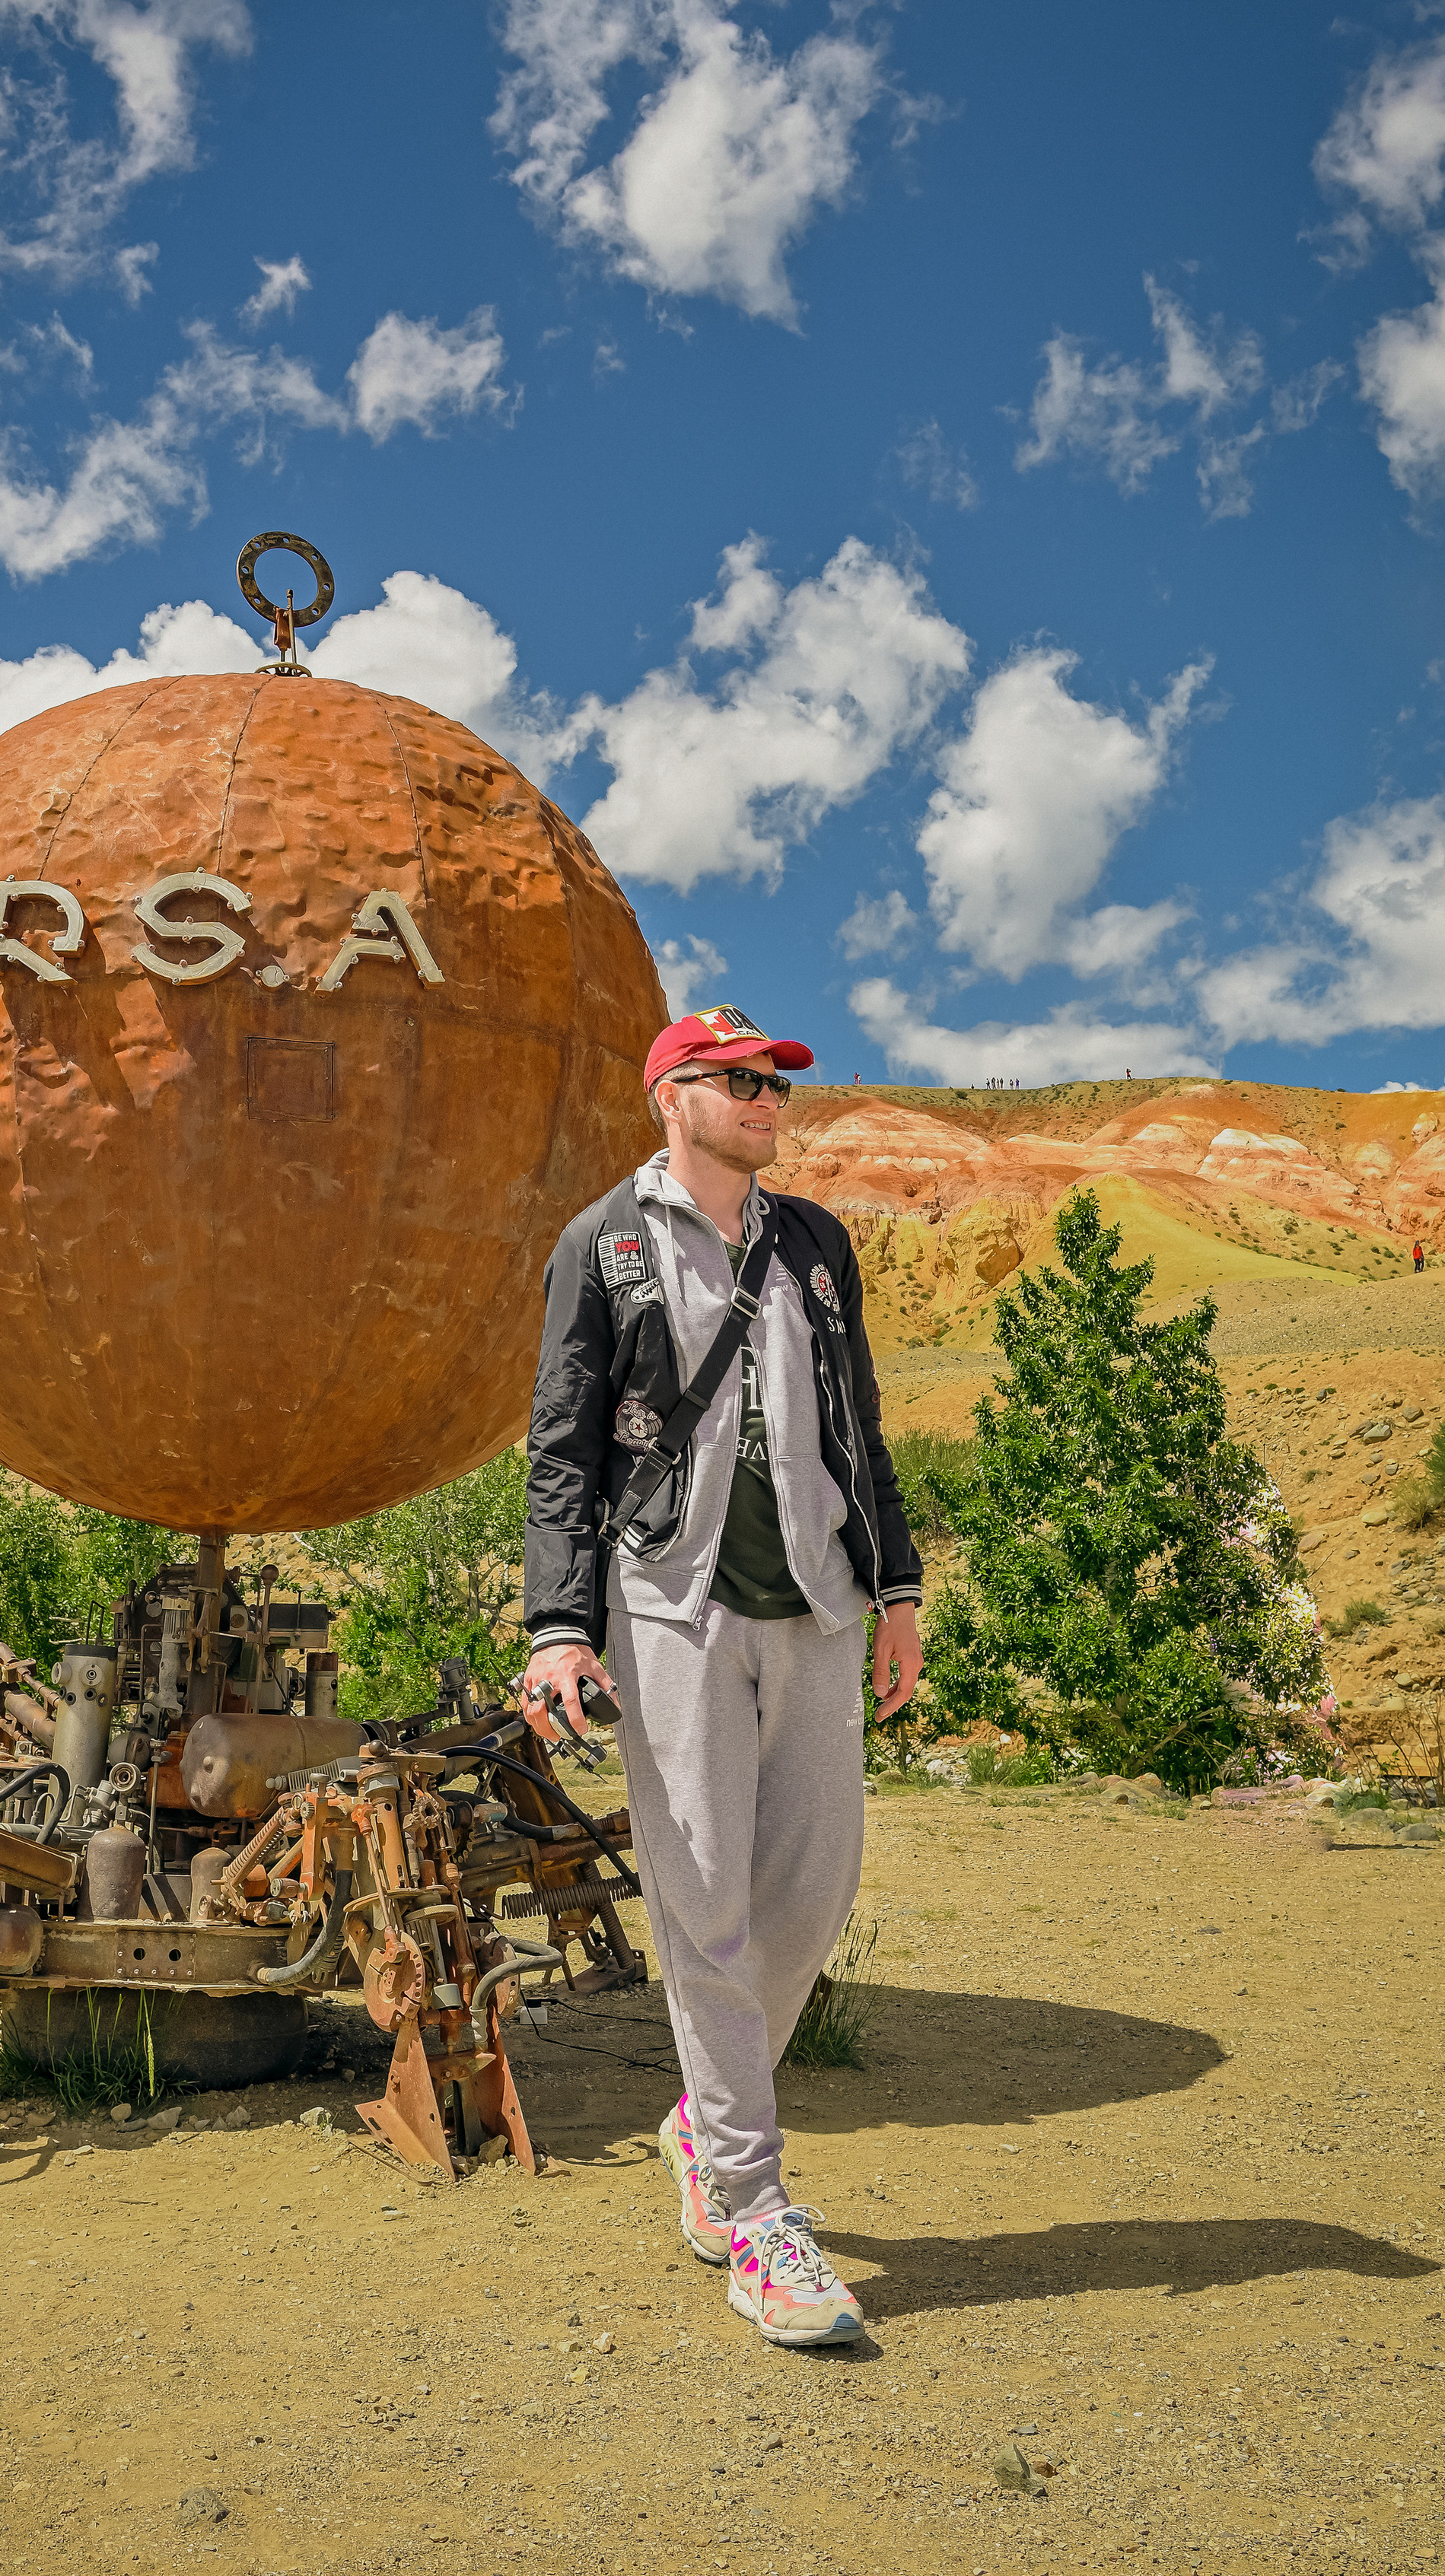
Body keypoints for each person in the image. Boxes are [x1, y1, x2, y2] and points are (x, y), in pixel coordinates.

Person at [520, 1003, 923, 2349]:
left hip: (816, 1604)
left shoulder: (814, 1243)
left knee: (811, 1891)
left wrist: (899, 1589)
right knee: (705, 1905)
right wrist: (558, 1625)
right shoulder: (603, 1243)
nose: (766, 1099)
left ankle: (701, 2117)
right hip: (670, 1608)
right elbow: (564, 1448)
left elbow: (860, 1424)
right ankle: (755, 2210)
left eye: (776, 1082)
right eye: (738, 1080)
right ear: (671, 1096)